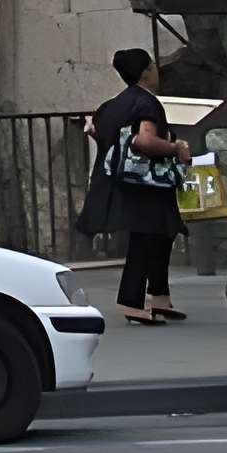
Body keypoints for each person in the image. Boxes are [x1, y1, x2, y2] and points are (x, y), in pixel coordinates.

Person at [90, 46, 192, 324]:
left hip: (126, 182)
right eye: (154, 66)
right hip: (149, 184)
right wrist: (176, 148)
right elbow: (144, 140)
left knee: (163, 233)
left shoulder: (114, 104)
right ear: (146, 72)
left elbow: (94, 129)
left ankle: (159, 297)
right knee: (145, 238)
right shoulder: (147, 103)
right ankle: (131, 301)